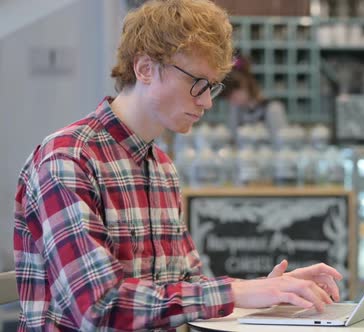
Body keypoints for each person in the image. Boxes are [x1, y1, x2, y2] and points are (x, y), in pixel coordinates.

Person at [13, 0, 342, 330]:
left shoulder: (162, 168)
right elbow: (99, 307)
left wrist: (269, 290)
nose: (207, 101)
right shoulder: (66, 161)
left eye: (212, 87)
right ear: (144, 69)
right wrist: (240, 291)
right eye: (197, 82)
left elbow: (186, 290)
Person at [222, 55, 289, 145]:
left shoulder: (272, 108)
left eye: (233, 95)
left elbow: (281, 143)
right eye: (228, 98)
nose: (231, 101)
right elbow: (232, 139)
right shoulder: (236, 109)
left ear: (246, 84)